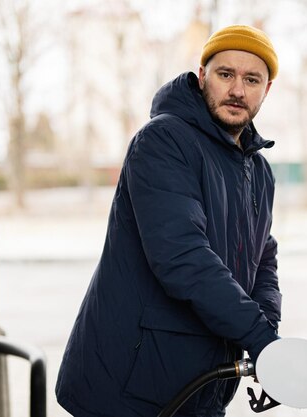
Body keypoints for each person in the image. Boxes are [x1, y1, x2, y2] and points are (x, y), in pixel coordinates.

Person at [56, 24, 282, 417]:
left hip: (202, 384)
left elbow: (263, 256)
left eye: (252, 79)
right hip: (129, 385)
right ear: (201, 77)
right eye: (225, 74)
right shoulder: (163, 141)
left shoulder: (258, 170)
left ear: (266, 90)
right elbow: (181, 256)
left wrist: (269, 336)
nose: (237, 90)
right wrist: (261, 338)